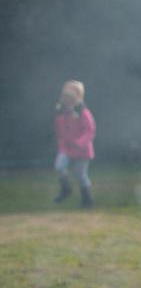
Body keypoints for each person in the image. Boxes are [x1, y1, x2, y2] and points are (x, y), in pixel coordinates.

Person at [53, 80, 96, 208]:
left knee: (81, 175)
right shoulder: (61, 114)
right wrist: (62, 146)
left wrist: (80, 143)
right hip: (66, 148)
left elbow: (90, 130)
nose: (67, 101)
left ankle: (87, 200)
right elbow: (60, 133)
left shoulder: (84, 113)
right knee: (60, 165)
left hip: (82, 150)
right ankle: (66, 189)